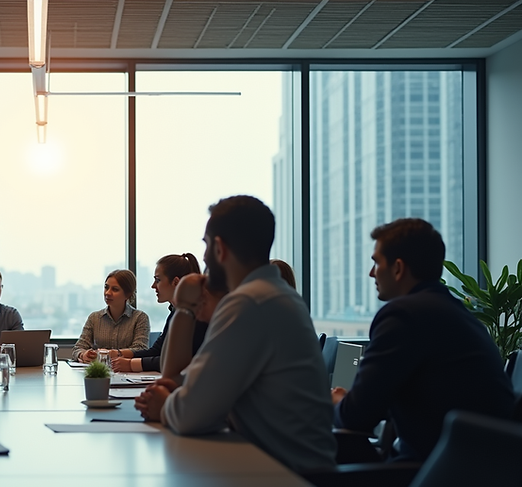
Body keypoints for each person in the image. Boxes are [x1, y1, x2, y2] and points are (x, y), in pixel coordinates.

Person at [135, 196, 336, 472]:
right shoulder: (273, 296)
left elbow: (189, 415)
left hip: (287, 484)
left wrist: (165, 405)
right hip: (276, 470)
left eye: (206, 245)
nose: (203, 257)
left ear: (219, 248)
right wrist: (183, 311)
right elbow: (182, 382)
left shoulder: (250, 303)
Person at [332, 218, 515, 462]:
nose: (371, 272)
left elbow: (356, 417)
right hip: (480, 474)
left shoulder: (403, 315)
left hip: (441, 477)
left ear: (398, 268)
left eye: (376, 262)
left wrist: (337, 402)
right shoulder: (454, 311)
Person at [111, 254, 207, 373]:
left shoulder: (196, 316)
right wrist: (118, 354)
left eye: (158, 280)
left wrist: (131, 364)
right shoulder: (175, 312)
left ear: (176, 282)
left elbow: (179, 362)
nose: (153, 286)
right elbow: (157, 351)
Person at [72, 269, 150, 363]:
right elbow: (78, 348)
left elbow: (141, 349)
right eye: (106, 287)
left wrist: (110, 353)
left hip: (128, 372)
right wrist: (83, 354)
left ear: (128, 295)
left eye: (115, 289)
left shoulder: (140, 318)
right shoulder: (94, 318)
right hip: (99, 373)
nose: (107, 293)